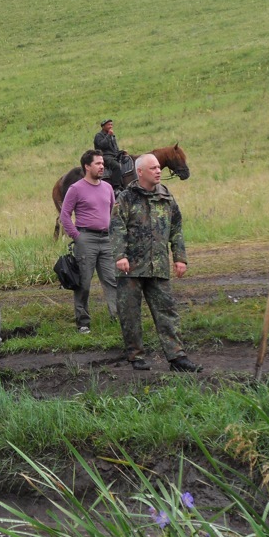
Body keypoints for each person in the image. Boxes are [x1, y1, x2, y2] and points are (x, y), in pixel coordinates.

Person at [110, 153, 201, 373]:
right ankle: (136, 356)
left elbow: (176, 228)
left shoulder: (166, 197)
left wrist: (179, 258)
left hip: (158, 265)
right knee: (130, 313)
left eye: (159, 167)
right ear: (140, 172)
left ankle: (177, 357)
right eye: (153, 168)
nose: (159, 171)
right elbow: (116, 227)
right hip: (130, 267)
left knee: (167, 311)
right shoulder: (126, 197)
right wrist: (120, 255)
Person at [59, 150, 118, 333]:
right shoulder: (75, 189)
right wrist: (77, 236)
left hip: (106, 239)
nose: (102, 166)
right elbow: (65, 215)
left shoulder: (108, 188)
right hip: (86, 239)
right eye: (98, 163)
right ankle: (83, 322)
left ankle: (117, 317)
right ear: (87, 166)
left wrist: (113, 234)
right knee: (83, 283)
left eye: (102, 163)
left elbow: (112, 213)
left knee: (112, 280)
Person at [94, 119, 129, 194]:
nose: (110, 126)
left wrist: (122, 152)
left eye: (111, 125)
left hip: (113, 156)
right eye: (108, 125)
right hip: (104, 156)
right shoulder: (98, 136)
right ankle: (116, 187)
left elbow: (115, 149)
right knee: (116, 166)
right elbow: (102, 146)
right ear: (103, 126)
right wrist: (109, 135)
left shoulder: (112, 136)